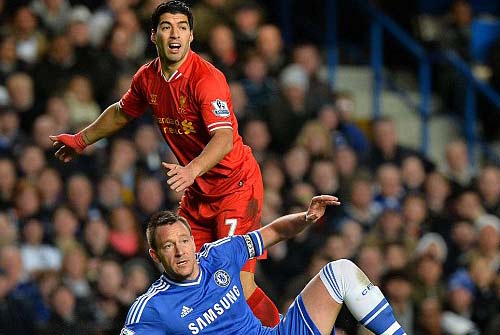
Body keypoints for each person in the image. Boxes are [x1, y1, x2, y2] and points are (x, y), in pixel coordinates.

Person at [49, 0, 279, 326]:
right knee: (185, 274)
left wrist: (191, 170)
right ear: (153, 34)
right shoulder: (147, 77)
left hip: (235, 187)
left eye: (182, 27)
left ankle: (280, 330)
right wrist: (81, 139)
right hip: (199, 191)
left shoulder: (206, 79)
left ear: (191, 36)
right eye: (167, 27)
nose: (175, 34)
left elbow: (224, 139)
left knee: (236, 282)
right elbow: (121, 111)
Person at [121, 195, 407, 335]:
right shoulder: (152, 308)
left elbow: (274, 232)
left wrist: (305, 218)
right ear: (155, 256)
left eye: (183, 241)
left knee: (341, 271)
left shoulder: (220, 256)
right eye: (168, 246)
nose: (180, 251)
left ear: (193, 241)